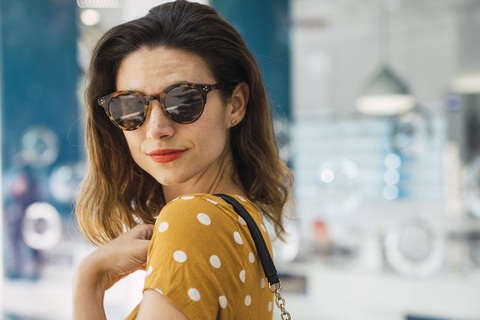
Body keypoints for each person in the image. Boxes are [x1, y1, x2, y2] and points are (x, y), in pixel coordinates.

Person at [73, 1, 294, 319]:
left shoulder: (191, 221)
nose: (157, 129)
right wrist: (90, 276)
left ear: (235, 105)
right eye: (131, 107)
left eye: (184, 100)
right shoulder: (243, 218)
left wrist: (88, 282)